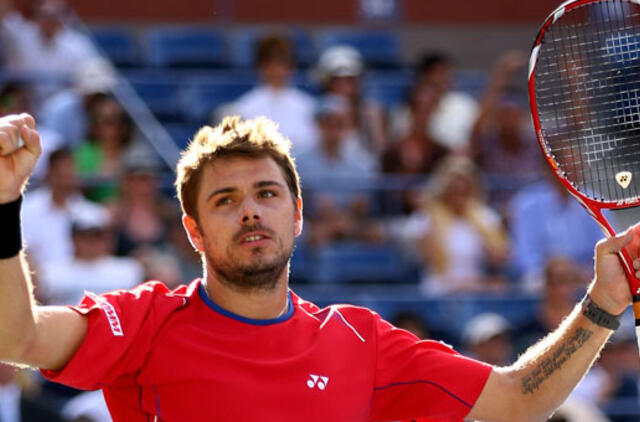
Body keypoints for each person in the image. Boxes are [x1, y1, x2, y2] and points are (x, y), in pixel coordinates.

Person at [1, 113, 640, 421]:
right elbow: (16, 338)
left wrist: (604, 304)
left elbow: (516, 400)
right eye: (225, 201)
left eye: (267, 194)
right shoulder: (143, 322)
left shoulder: (360, 341)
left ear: (298, 214)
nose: (250, 212)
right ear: (193, 229)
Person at [226, 33, 317, 156]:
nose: (276, 70)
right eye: (269, 63)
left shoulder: (308, 106)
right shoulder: (245, 108)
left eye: (281, 63)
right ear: (260, 67)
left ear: (291, 66)